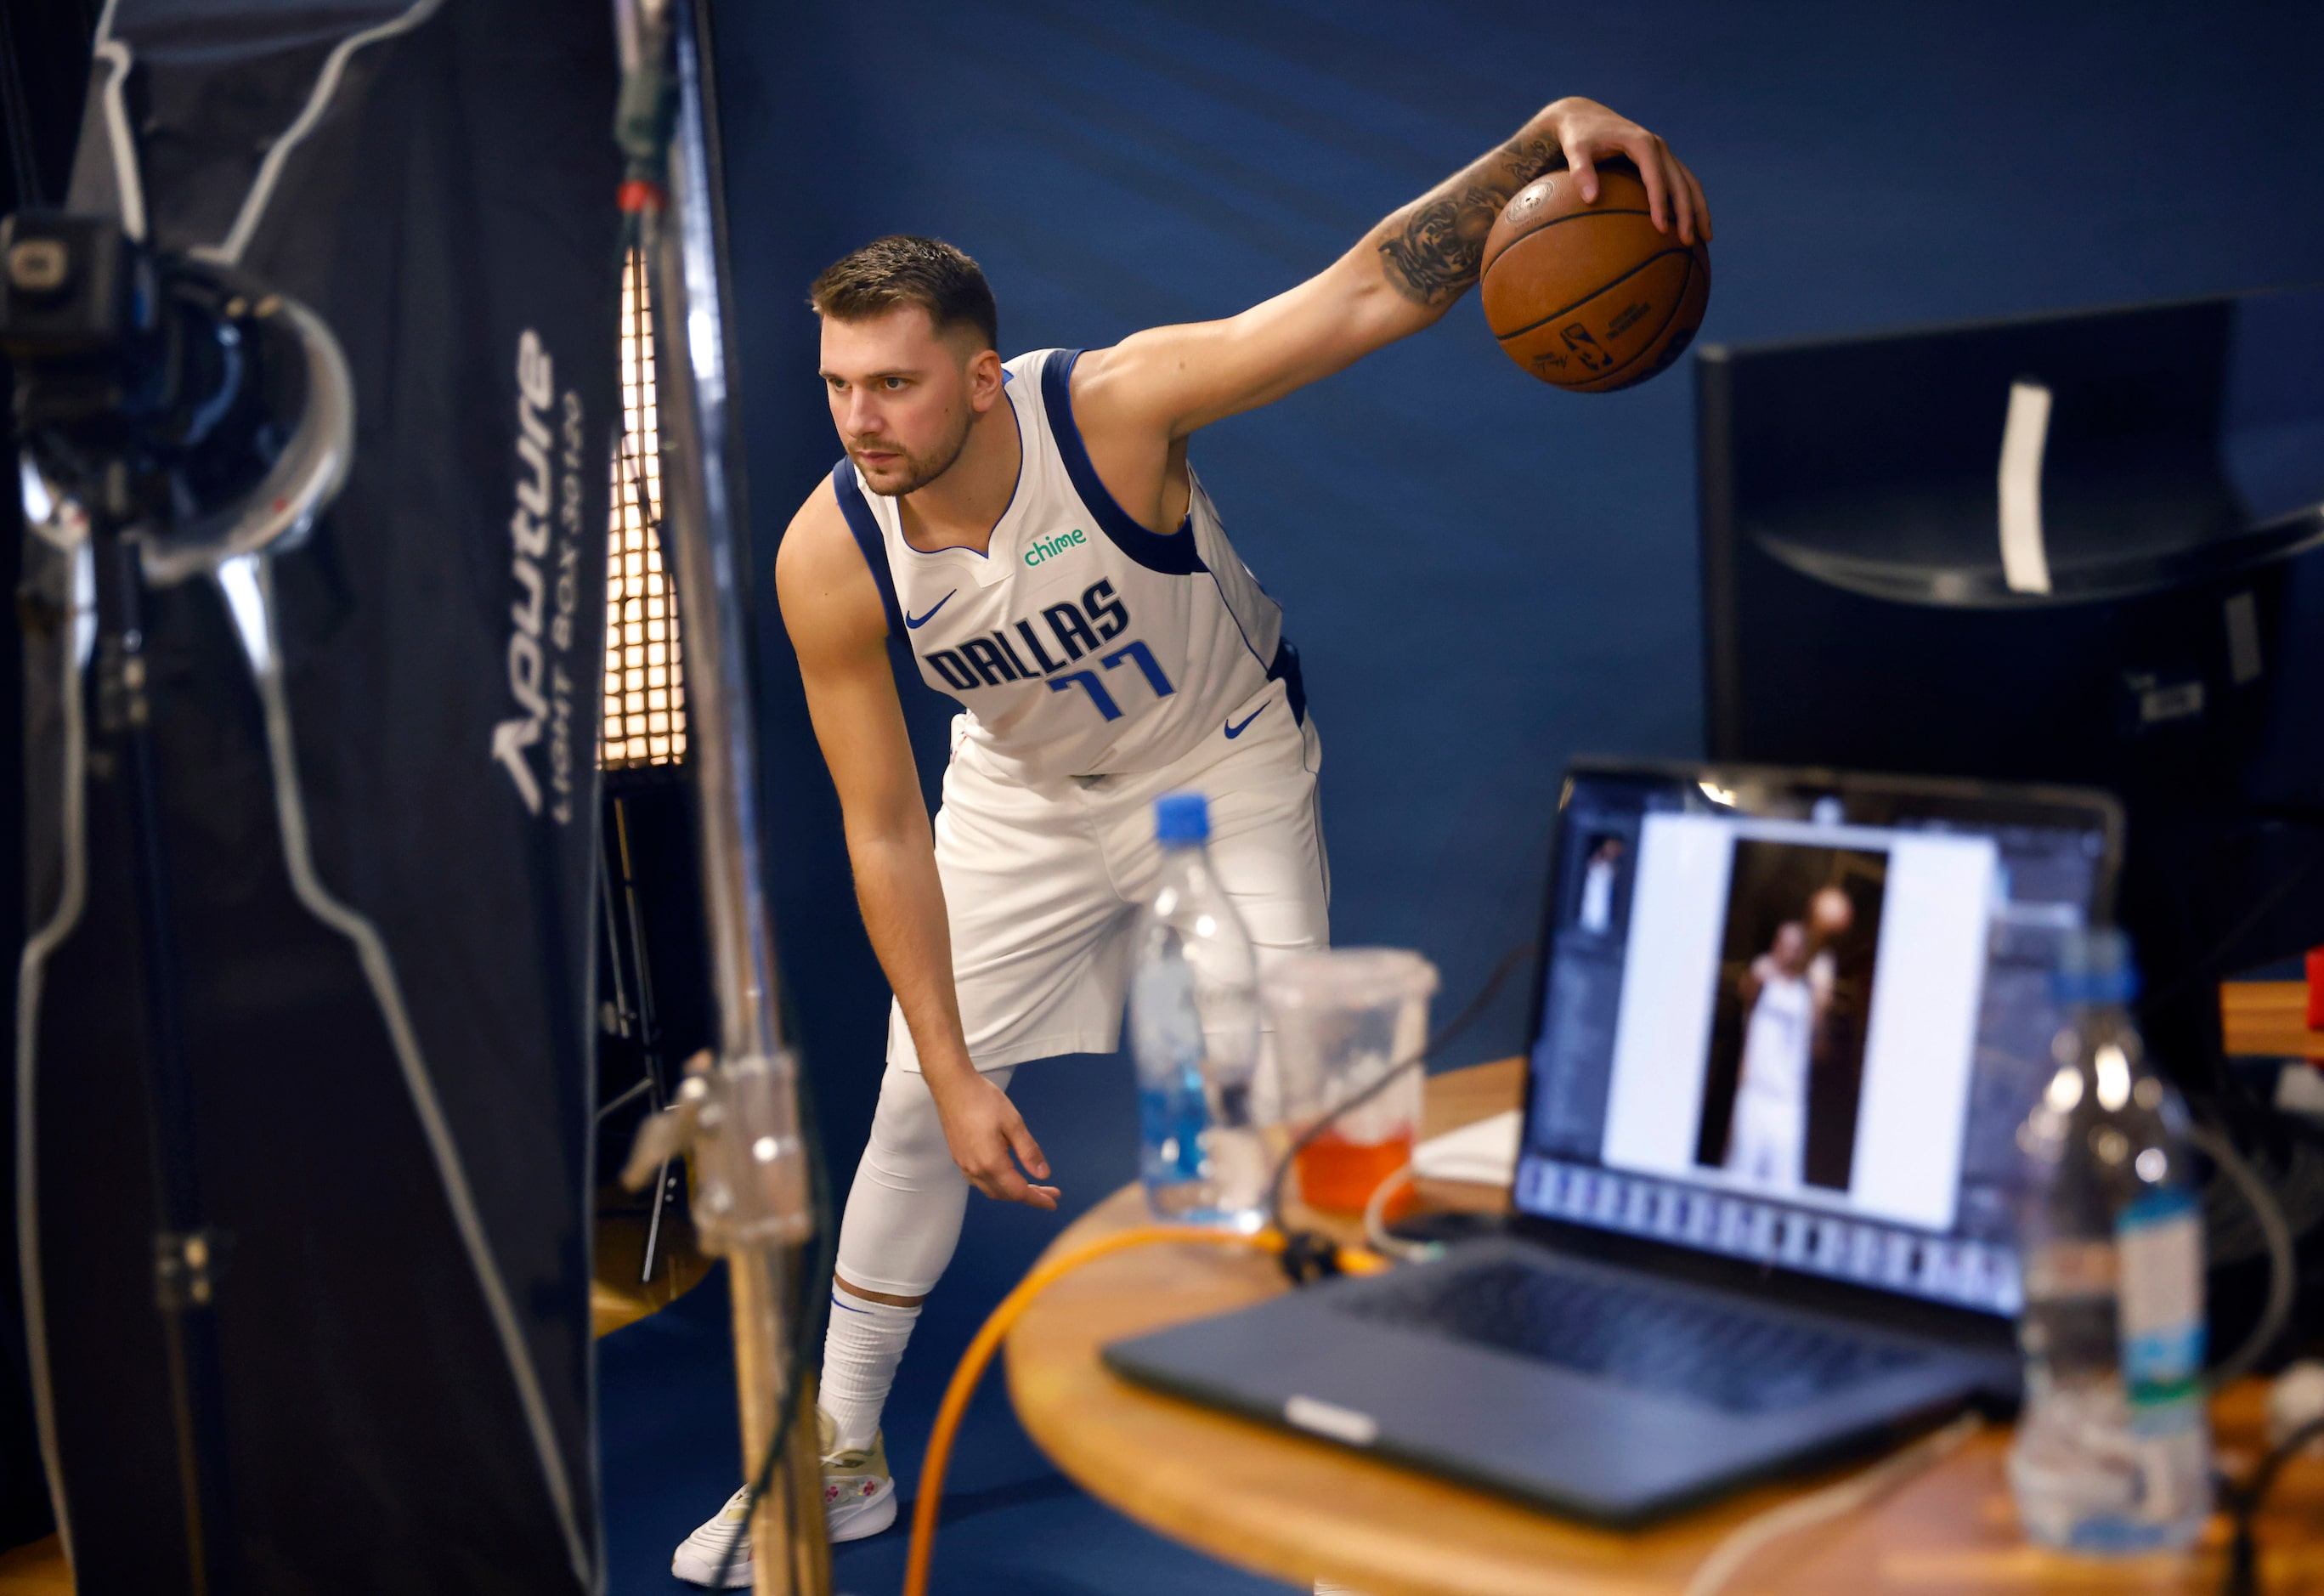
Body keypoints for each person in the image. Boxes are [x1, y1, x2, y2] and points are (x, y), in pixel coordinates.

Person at [672, 96, 1710, 1585]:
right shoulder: (830, 552)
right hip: (1019, 804)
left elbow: (1361, 288)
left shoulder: (1117, 407)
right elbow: (883, 826)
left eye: (893, 386)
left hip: (1218, 769)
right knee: (915, 1106)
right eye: (838, 386)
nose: (860, 420)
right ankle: (836, 1455)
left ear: (979, 377)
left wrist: (1543, 147)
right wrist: (960, 1068)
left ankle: (1342, 1475)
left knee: (1290, 1116)